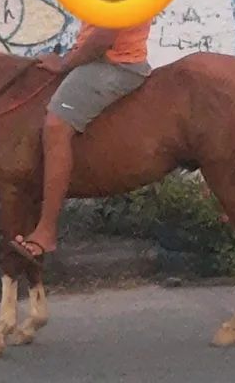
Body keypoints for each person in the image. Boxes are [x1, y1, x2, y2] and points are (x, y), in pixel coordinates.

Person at [10, 19, 152, 264]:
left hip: (117, 64)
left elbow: (104, 37)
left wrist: (64, 64)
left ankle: (46, 232)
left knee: (56, 125)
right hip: (102, 59)